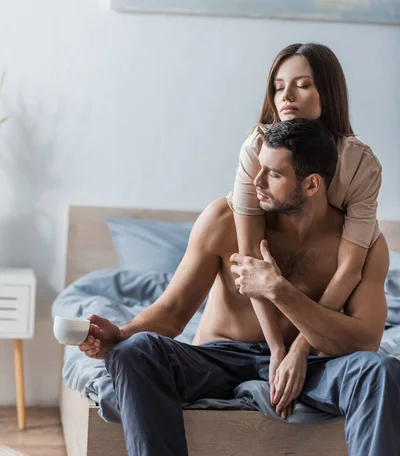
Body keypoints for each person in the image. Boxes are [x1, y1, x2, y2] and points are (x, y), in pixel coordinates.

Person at [79, 119, 399, 456]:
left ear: (311, 185)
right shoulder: (222, 221)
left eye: (273, 174)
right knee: (134, 351)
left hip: (314, 367)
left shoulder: (360, 246)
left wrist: (280, 290)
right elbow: (172, 313)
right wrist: (121, 334)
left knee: (382, 371)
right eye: (259, 168)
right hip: (221, 358)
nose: (256, 181)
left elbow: (365, 341)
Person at [231, 43, 383, 413]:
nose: (286, 96)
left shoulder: (360, 164)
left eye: (302, 85)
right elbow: (251, 259)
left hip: (325, 295)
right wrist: (277, 350)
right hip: (267, 294)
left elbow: (350, 267)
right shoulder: (257, 148)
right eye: (279, 86)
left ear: (327, 93)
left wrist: (302, 347)